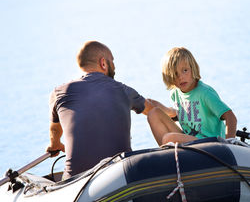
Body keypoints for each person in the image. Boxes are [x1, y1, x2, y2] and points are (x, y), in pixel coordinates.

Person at [46, 40, 153, 180]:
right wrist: (173, 113)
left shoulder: (58, 93)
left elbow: (55, 130)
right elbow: (151, 110)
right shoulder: (123, 90)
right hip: (120, 175)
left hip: (75, 181)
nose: (114, 66)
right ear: (103, 63)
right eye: (112, 61)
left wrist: (56, 145)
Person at [147, 47, 237, 146]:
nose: (181, 77)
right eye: (175, 74)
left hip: (211, 143)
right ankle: (169, 155)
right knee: (153, 114)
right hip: (190, 140)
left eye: (185, 70)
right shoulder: (175, 94)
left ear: (192, 68)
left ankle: (167, 153)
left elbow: (230, 116)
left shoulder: (205, 93)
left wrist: (229, 144)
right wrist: (162, 109)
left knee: (169, 138)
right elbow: (182, 113)